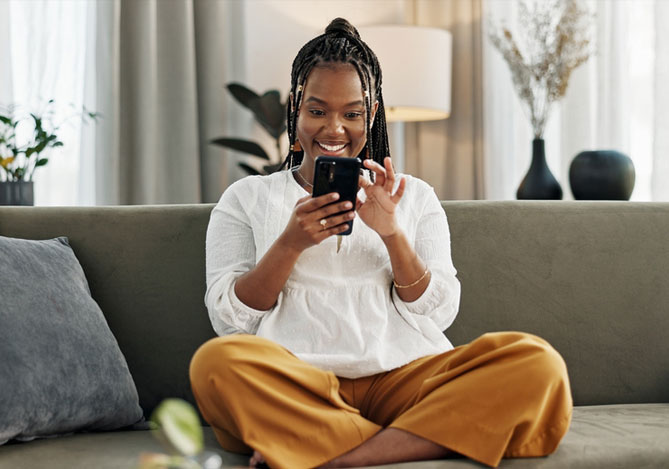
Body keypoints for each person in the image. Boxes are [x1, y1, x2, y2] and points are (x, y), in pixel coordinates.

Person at [189, 18, 572, 469]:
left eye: (351, 114)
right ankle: (412, 441)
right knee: (215, 364)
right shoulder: (247, 198)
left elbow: (440, 310)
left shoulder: (415, 196)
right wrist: (290, 244)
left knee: (537, 364)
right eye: (317, 111)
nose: (334, 129)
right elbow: (230, 320)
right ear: (296, 109)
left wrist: (392, 234)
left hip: (406, 379)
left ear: (370, 116)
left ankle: (331, 454)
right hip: (299, 382)